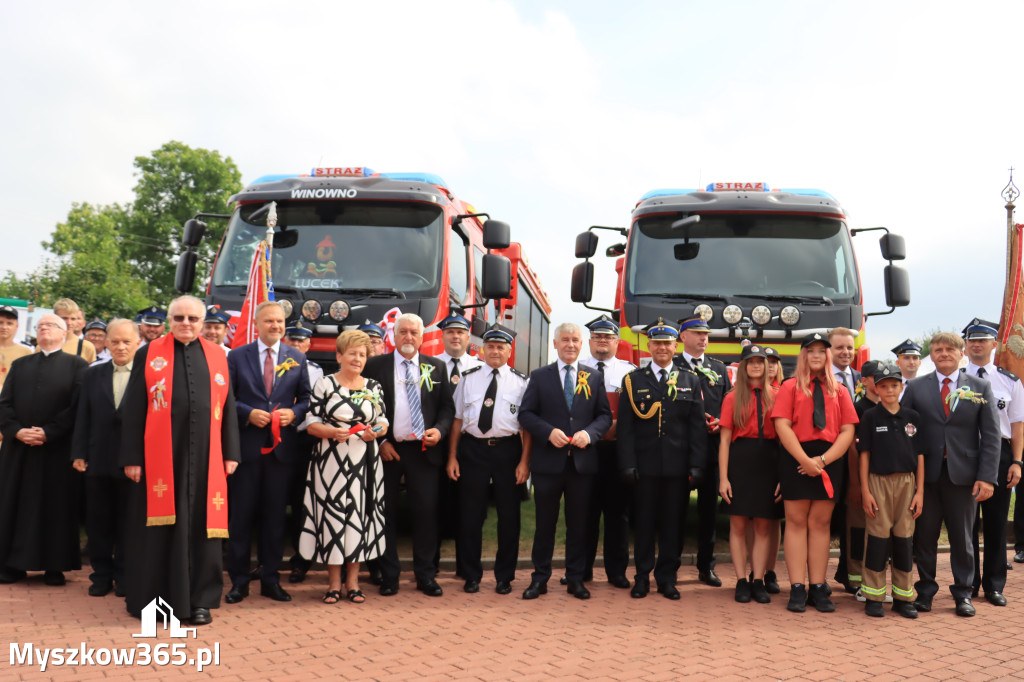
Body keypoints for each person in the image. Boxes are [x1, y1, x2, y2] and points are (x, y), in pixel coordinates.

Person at [119, 295, 241, 626]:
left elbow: (227, 405)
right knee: (160, 530)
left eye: (192, 318)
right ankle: (156, 601)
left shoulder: (217, 355)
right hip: (161, 456)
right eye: (179, 317)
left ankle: (200, 601)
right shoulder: (149, 352)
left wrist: (231, 452)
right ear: (169, 320)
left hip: (206, 457)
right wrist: (132, 457)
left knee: (204, 528)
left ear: (202, 322)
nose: (186, 323)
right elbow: (134, 407)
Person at [901, 331, 1000, 617]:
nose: (943, 354)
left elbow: (991, 436)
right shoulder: (917, 388)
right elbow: (907, 430)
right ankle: (925, 591)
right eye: (937, 350)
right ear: (930, 355)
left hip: (964, 476)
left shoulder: (980, 387)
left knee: (962, 538)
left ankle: (963, 593)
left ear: (962, 354)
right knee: (925, 535)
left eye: (949, 350)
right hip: (926, 476)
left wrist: (987, 476)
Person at [225, 302, 310, 605]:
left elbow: (307, 400)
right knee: (241, 519)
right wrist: (247, 413)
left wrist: (294, 413)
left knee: (275, 519)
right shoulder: (236, 356)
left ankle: (271, 579)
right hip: (246, 451)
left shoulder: (297, 358)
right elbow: (226, 398)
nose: (275, 326)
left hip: (280, 453)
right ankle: (239, 581)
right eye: (269, 321)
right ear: (257, 324)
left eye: (279, 321)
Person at [363, 313, 454, 597]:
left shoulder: (436, 368)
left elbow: (447, 409)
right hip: (388, 451)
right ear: (394, 334)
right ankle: (389, 575)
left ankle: (425, 575)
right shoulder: (375, 366)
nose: (408, 338)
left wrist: (439, 430)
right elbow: (364, 408)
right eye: (403, 332)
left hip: (424, 452)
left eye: (414, 333)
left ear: (422, 337)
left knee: (425, 514)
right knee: (384, 513)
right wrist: (380, 442)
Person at [519, 322, 611, 600]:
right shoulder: (539, 376)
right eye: (565, 340)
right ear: (556, 344)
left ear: (581, 344)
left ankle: (575, 578)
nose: (570, 344)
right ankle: (540, 579)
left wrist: (588, 433)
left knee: (579, 524)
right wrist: (548, 432)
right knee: (545, 524)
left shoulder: (593, 377)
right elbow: (525, 414)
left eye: (575, 340)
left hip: (581, 465)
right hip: (548, 464)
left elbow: (604, 416)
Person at [299, 330, 388, 604]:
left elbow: (384, 420)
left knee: (359, 517)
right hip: (330, 462)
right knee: (333, 517)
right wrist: (329, 431)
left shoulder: (373, 387)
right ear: (339, 356)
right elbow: (310, 423)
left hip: (365, 462)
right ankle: (333, 584)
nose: (358, 359)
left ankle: (354, 583)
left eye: (362, 355)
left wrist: (376, 431)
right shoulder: (324, 385)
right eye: (352, 354)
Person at [618, 319, 704, 600]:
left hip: (677, 469)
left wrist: (696, 464)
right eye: (656, 343)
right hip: (645, 468)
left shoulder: (690, 380)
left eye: (667, 343)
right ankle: (642, 577)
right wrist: (627, 464)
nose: (662, 348)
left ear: (675, 345)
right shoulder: (633, 381)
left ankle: (667, 577)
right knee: (643, 525)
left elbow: (696, 429)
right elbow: (626, 429)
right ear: (649, 345)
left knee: (673, 525)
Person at [773, 333, 858, 613]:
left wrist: (821, 461)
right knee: (796, 522)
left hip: (829, 459)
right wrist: (805, 460)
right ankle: (797, 587)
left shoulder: (841, 391)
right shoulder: (789, 387)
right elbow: (782, 425)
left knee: (821, 525)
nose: (817, 356)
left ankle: (818, 587)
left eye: (822, 351)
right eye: (811, 351)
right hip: (796, 457)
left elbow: (848, 431)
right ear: (803, 355)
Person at [0, 313, 87, 586]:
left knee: (56, 507)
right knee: (14, 505)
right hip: (18, 449)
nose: (44, 329)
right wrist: (16, 430)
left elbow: (77, 407)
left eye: (50, 325)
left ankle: (54, 566)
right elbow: (4, 403)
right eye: (40, 326)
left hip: (56, 451)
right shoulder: (20, 364)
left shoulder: (78, 365)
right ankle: (12, 565)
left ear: (65, 332)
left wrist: (49, 432)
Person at [446, 324, 530, 594]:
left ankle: (505, 576)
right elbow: (457, 420)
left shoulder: (521, 382)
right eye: (490, 346)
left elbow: (526, 428)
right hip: (473, 451)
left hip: (508, 452)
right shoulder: (468, 378)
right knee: (470, 515)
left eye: (500, 347)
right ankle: (471, 575)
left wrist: (524, 462)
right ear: (482, 349)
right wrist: (452, 457)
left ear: (509, 350)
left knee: (509, 516)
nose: (495, 351)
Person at [71, 318, 139, 596]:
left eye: (126, 341)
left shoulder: (148, 376)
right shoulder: (92, 374)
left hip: (132, 463)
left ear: (137, 343)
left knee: (128, 523)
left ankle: (125, 575)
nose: (120, 347)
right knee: (99, 522)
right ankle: (101, 575)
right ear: (106, 342)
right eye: (115, 341)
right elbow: (82, 416)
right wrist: (78, 453)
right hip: (97, 460)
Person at [961, 319, 1023, 606]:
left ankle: (994, 585)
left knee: (997, 522)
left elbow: (1017, 424)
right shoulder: (956, 379)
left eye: (983, 340)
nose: (977, 344)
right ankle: (968, 582)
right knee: (967, 523)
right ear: (965, 345)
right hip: (965, 453)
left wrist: (1018, 462)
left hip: (1000, 454)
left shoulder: (1010, 381)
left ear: (994, 344)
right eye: (972, 340)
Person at [858, 362, 924, 618]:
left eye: (894, 385)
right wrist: (865, 490)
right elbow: (864, 455)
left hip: (907, 484)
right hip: (878, 482)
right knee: (877, 538)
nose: (889, 390)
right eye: (883, 386)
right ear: (876, 388)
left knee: (904, 538)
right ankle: (874, 595)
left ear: (901, 386)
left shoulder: (912, 418)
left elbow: (919, 456)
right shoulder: (871, 417)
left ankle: (903, 596)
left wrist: (920, 492)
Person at [719, 344, 782, 604]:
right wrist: (723, 478)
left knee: (765, 525)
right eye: (751, 362)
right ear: (743, 367)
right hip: (740, 463)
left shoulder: (779, 395)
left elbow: (784, 439)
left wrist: (783, 476)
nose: (756, 366)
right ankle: (741, 580)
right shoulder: (732, 397)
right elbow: (723, 441)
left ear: (768, 366)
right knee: (738, 524)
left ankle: (758, 579)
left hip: (769, 463)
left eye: (760, 361)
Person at [674, 315, 731, 588]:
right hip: (681, 449)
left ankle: (706, 567)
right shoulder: (670, 367)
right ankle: (670, 565)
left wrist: (721, 422)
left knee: (709, 511)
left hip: (711, 448)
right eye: (697, 333)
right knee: (675, 509)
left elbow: (729, 403)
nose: (703, 338)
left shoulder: (718, 369)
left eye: (706, 334)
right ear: (683, 337)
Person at [580, 314, 635, 588]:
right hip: (585, 452)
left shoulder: (629, 372)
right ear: (590, 341)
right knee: (584, 514)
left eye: (608, 337)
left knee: (618, 515)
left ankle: (617, 572)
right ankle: (581, 570)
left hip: (616, 453)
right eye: (597, 336)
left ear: (617, 341)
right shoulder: (575, 370)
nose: (602, 341)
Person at [434, 309, 482, 577]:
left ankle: (465, 567)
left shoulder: (478, 367)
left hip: (469, 446)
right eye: (450, 332)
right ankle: (431, 566)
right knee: (435, 506)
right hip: (436, 445)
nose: (455, 336)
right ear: (442, 336)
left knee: (469, 509)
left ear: (468, 337)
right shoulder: (430, 365)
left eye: (461, 332)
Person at [281, 323, 323, 584]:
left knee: (301, 505)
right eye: (293, 340)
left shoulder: (316, 372)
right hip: (275, 438)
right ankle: (267, 562)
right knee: (270, 504)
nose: (297, 345)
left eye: (301, 342)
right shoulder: (275, 366)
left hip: (303, 442)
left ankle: (300, 561)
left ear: (309, 345)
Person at [828, 326, 860, 593]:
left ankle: (848, 571)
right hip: (827, 459)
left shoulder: (863, 379)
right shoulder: (820, 380)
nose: (845, 352)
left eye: (850, 347)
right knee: (824, 521)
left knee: (853, 518)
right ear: (828, 350)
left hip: (857, 461)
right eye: (839, 347)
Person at [847, 359, 881, 603]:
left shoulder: (894, 408)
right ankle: (855, 579)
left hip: (886, 479)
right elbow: (851, 448)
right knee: (857, 530)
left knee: (880, 530)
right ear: (865, 381)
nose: (881, 383)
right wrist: (856, 484)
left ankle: (876, 577)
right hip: (861, 477)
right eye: (876, 378)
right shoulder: (858, 408)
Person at [53, 298, 97, 363]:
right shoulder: (43, 345)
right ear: (55, 318)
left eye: (73, 319)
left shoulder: (87, 347)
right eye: (64, 318)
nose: (69, 323)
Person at [0, 305, 31, 394]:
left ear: (16, 326)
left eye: (9, 323)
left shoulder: (26, 352)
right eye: (1, 322)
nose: (4, 327)